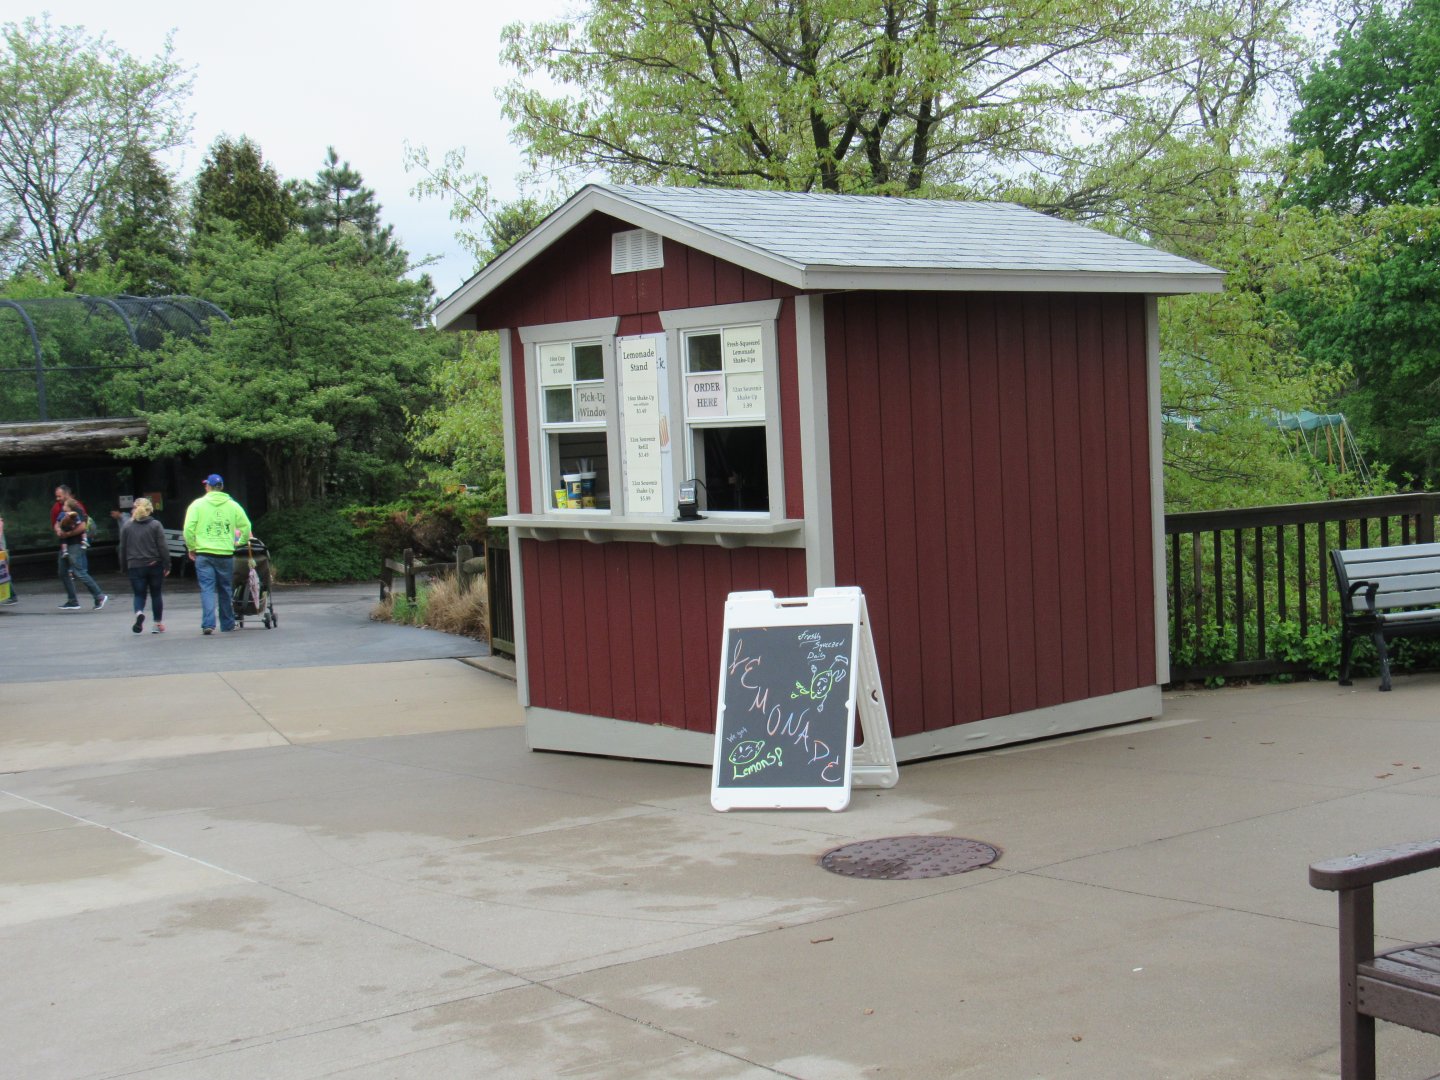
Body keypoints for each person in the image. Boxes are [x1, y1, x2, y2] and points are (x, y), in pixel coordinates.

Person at [183, 474, 251, 635]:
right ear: (221, 487)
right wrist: (239, 542)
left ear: (208, 487)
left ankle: (208, 623)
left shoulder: (197, 505)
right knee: (225, 589)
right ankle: (227, 623)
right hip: (225, 553)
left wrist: (192, 547)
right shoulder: (233, 505)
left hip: (204, 553)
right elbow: (246, 526)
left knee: (207, 588)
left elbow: (188, 529)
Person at [118, 497, 168, 633]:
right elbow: (162, 546)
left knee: (139, 594)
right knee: (156, 594)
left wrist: (123, 566)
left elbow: (122, 548)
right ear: (149, 509)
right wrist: (167, 564)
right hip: (154, 565)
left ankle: (139, 613)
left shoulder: (127, 526)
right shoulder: (155, 525)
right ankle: (157, 624)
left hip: (135, 565)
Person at [55, 496, 107, 611]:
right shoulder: (63, 511)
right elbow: (57, 523)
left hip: (75, 544)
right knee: (62, 571)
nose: (57, 498)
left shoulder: (77, 511)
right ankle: (72, 601)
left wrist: (67, 534)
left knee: (79, 571)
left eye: (59, 496)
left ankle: (99, 596)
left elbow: (82, 527)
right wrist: (58, 529)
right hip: (65, 545)